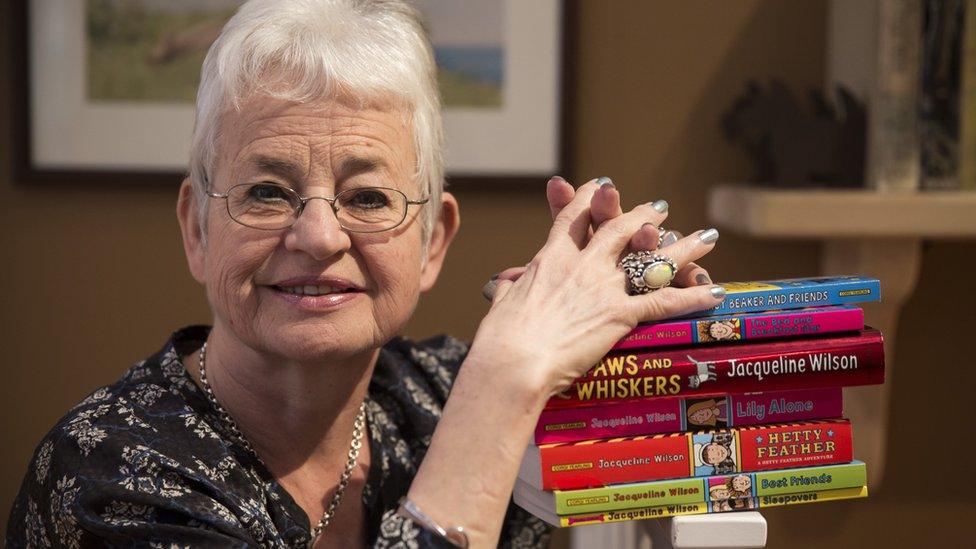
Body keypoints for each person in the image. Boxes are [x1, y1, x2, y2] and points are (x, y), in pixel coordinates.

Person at [6, 1, 724, 547]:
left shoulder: (443, 389)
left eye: (368, 197)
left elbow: (696, 454)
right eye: (266, 191)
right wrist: (505, 378)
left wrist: (641, 332)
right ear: (197, 227)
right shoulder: (106, 476)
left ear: (432, 240)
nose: (318, 235)